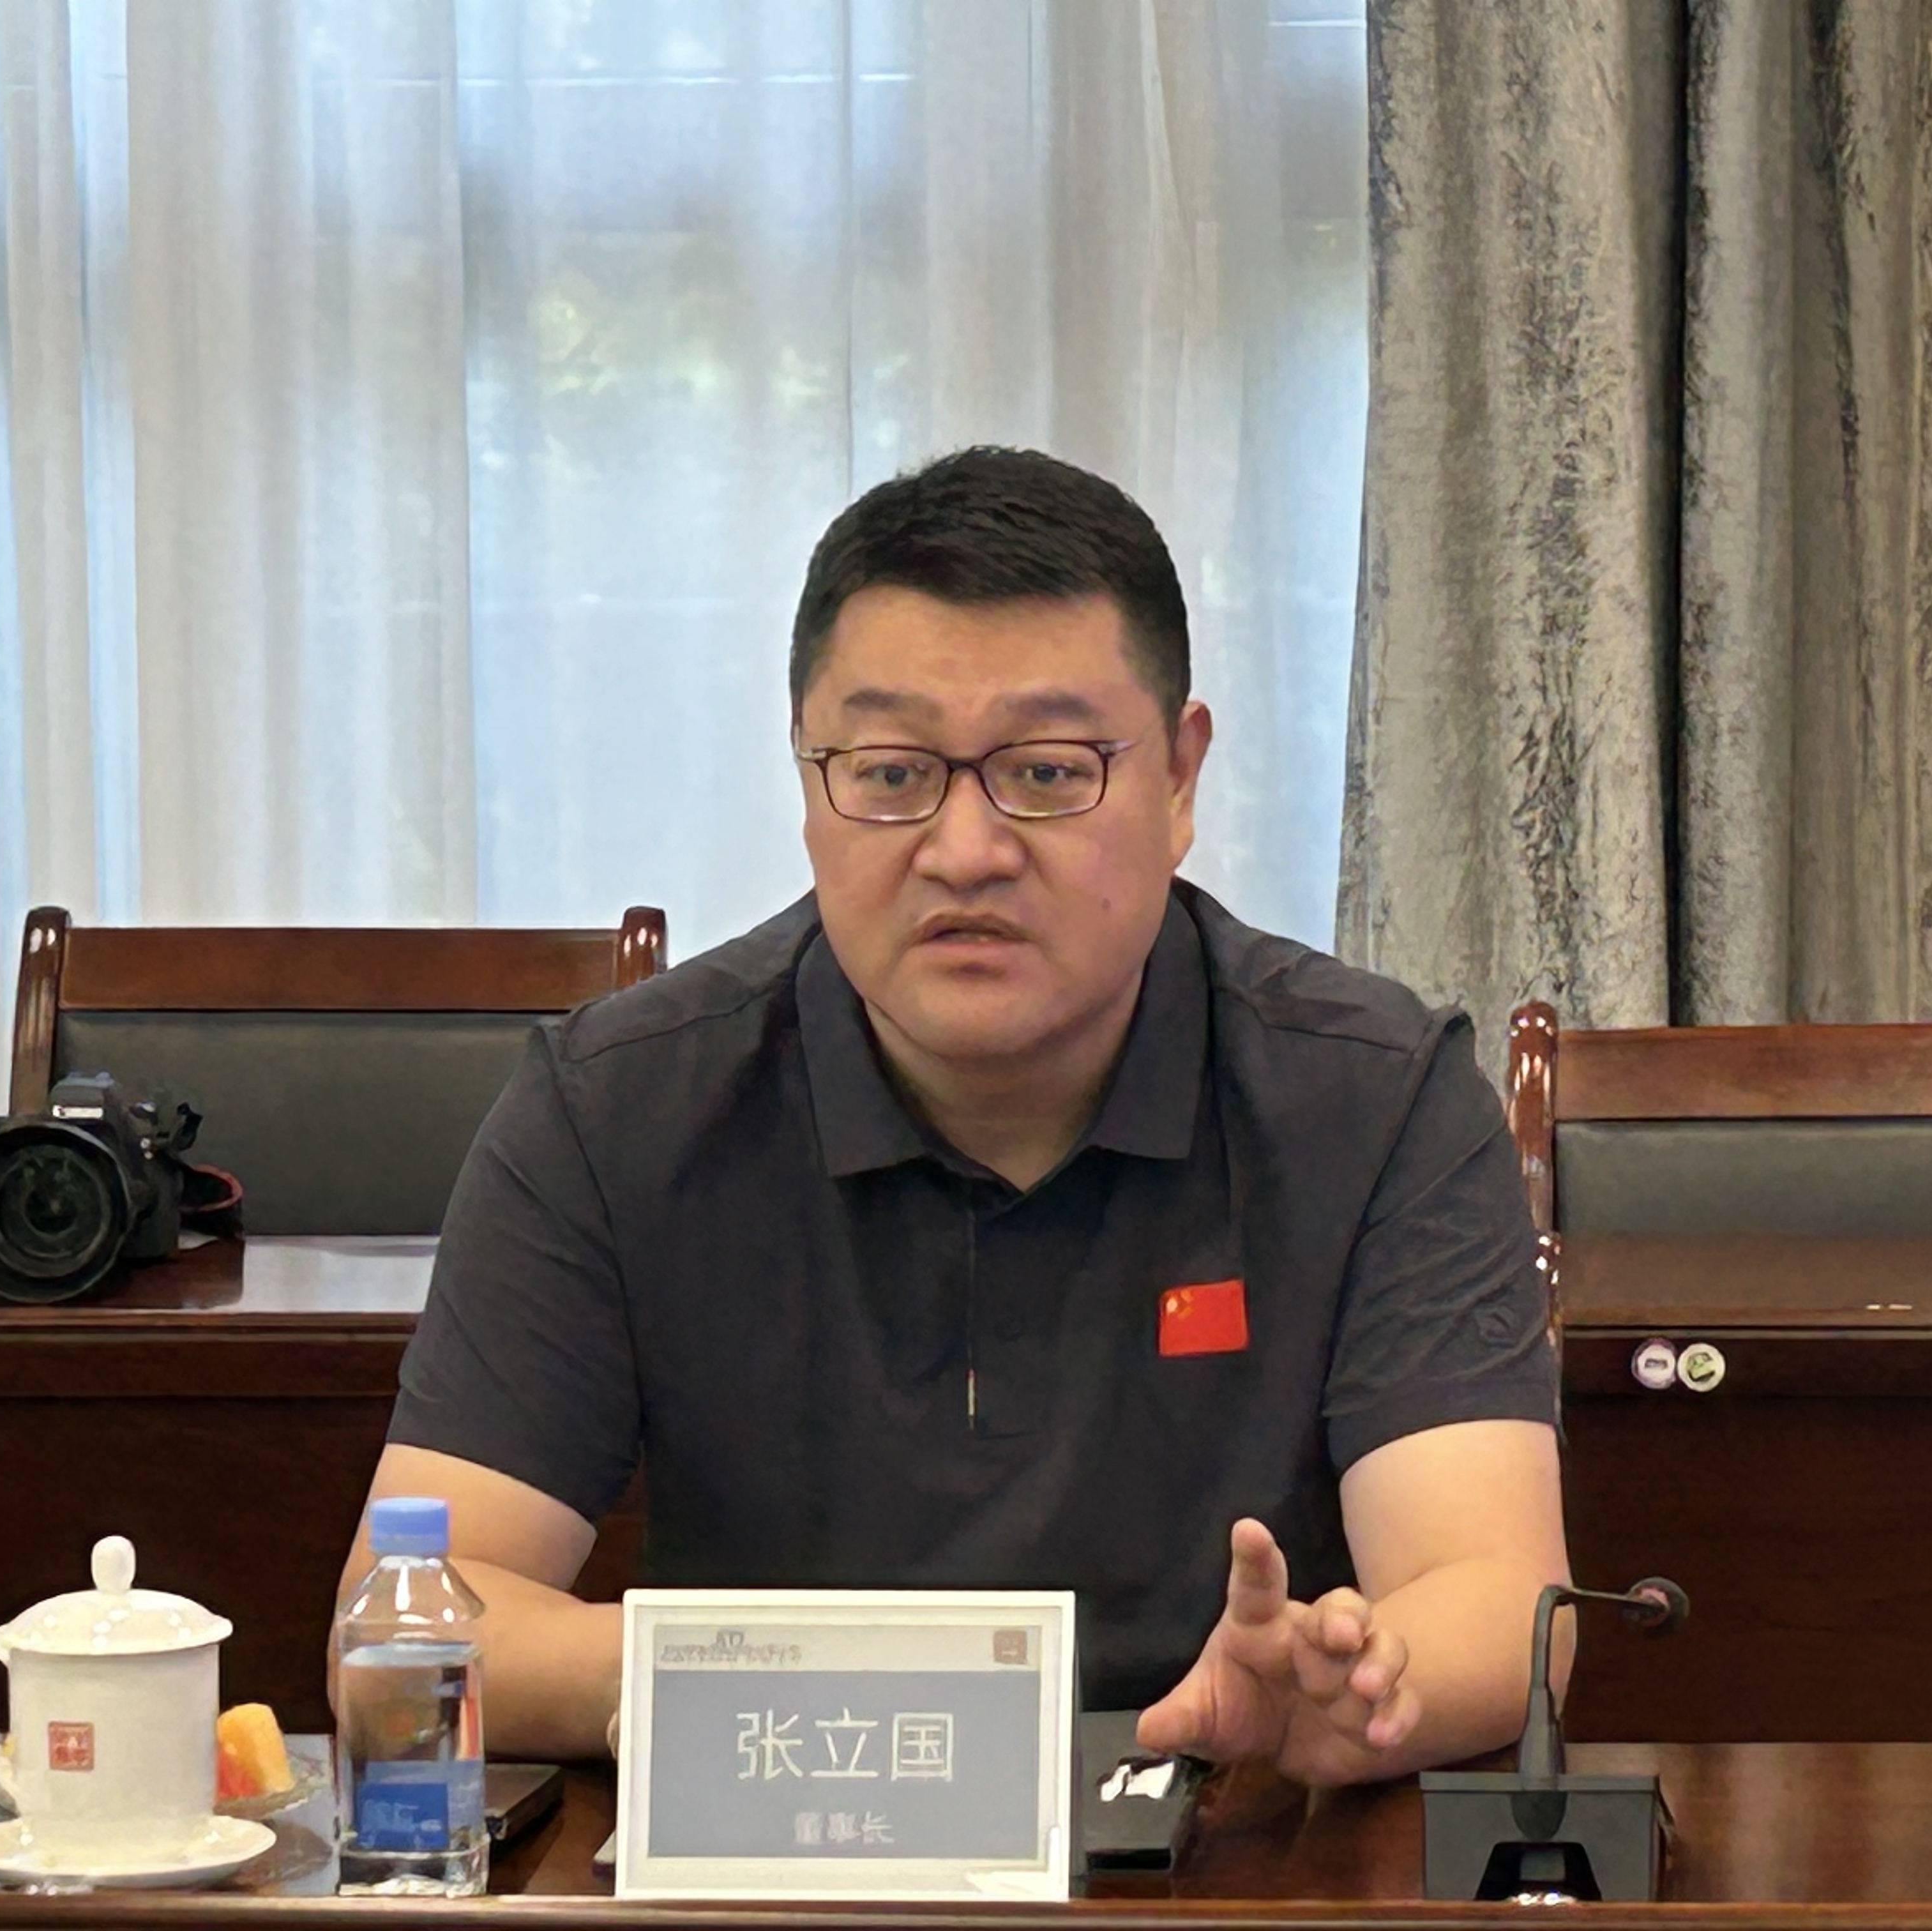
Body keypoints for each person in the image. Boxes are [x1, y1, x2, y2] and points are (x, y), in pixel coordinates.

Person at [341, 448, 1571, 1786]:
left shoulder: (1374, 1099)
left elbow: (1499, 1597)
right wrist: (772, 1685)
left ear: (1179, 779)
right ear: (808, 779)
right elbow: (400, 1633)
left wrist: (1356, 1695)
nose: (967, 850)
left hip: (1231, 1843)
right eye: (891, 773)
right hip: (791, 1839)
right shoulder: (616, 1108)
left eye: (1046, 772)